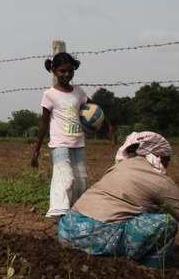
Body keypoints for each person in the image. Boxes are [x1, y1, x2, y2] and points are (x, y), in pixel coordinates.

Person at [58, 131, 179, 268]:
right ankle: (153, 269)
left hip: (69, 228)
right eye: (167, 159)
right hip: (96, 236)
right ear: (159, 156)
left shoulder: (120, 166)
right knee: (166, 224)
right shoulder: (159, 181)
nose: (168, 164)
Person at [30, 52, 116, 219]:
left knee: (81, 180)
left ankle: (77, 213)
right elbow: (43, 123)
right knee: (65, 178)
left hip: (78, 144)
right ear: (54, 71)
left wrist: (109, 126)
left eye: (70, 70)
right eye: (62, 71)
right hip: (60, 143)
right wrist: (36, 151)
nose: (66, 74)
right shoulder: (49, 94)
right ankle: (60, 213)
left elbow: (95, 109)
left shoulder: (78, 92)